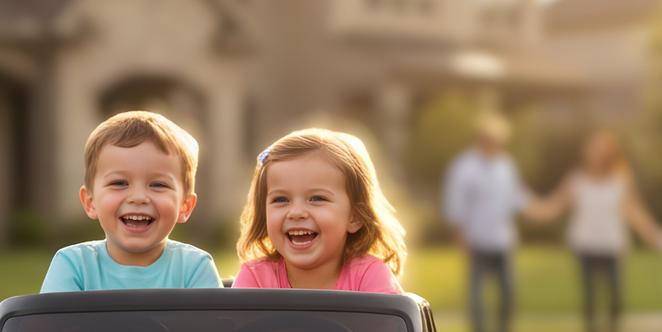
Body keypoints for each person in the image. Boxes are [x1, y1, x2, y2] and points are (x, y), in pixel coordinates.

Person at [40, 111, 222, 291]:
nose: (138, 197)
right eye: (119, 183)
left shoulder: (195, 268)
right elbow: (52, 312)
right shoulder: (73, 265)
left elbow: (214, 312)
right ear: (90, 202)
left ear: (185, 206)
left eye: (158, 185)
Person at [232, 128, 406, 292]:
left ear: (355, 217)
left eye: (317, 199)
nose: (296, 212)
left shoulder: (370, 275)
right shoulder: (255, 278)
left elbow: (387, 315)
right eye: (281, 199)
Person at [532, 130, 661, 332]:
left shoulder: (621, 180)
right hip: (585, 244)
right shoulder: (576, 179)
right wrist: (531, 209)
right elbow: (556, 204)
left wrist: (651, 234)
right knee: (590, 296)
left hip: (612, 244)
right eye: (592, 151)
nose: (596, 156)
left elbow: (633, 209)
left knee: (615, 295)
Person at [442, 113, 532, 332]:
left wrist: (543, 208)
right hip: (477, 240)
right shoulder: (464, 167)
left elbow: (517, 197)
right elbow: (456, 204)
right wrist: (460, 238)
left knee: (508, 295)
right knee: (477, 299)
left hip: (503, 240)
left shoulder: (506, 165)